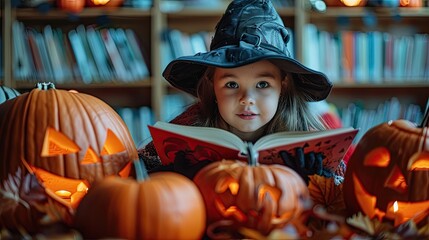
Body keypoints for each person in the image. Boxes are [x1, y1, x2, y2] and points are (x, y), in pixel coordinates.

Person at [138, 0, 344, 183]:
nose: (247, 100)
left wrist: (320, 182)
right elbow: (139, 172)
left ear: (284, 85)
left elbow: (344, 190)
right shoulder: (189, 125)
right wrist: (172, 175)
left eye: (262, 84)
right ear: (211, 84)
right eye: (232, 85)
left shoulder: (307, 136)